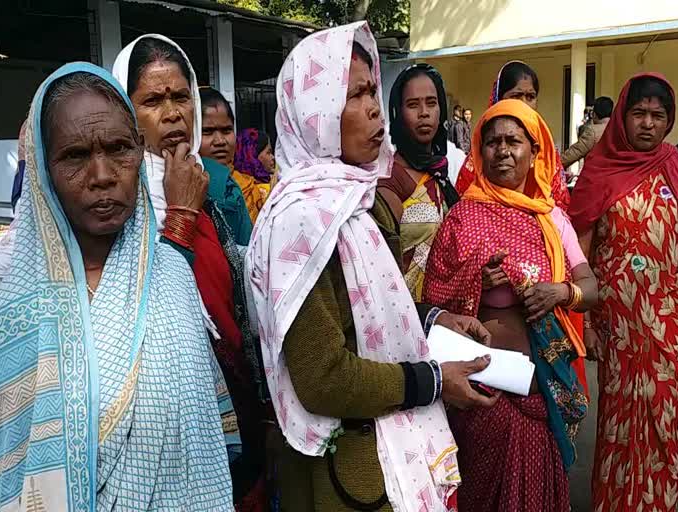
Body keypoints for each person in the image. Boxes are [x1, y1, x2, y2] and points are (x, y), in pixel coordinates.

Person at [245, 22, 500, 512]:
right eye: (354, 95)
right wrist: (431, 381)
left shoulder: (357, 200)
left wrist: (435, 318)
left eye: (371, 91)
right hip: (346, 473)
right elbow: (324, 379)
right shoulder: (302, 223)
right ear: (314, 113)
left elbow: (374, 308)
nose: (373, 108)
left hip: (379, 450)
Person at [0, 63, 236, 511]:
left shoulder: (170, 275)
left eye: (119, 148)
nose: (103, 174)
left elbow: (205, 436)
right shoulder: (11, 302)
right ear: (44, 170)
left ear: (139, 153)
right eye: (75, 156)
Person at [112, 35, 266, 510]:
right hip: (162, 426)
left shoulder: (213, 188)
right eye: (153, 101)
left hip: (236, 404)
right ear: (126, 113)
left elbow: (239, 296)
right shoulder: (116, 204)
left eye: (181, 97)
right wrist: (179, 211)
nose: (173, 113)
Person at [424, 99, 596, 512]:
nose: (503, 151)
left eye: (514, 141)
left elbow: (592, 288)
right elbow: (430, 301)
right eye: (492, 142)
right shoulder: (463, 216)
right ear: (479, 152)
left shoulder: (551, 217)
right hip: (483, 390)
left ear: (535, 152)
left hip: (542, 386)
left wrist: (560, 292)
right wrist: (474, 282)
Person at [569, 73, 678, 512]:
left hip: (669, 327)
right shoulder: (599, 169)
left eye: (658, 115)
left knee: (663, 423)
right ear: (622, 116)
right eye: (639, 113)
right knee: (620, 423)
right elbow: (580, 255)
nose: (648, 124)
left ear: (669, 120)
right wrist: (586, 326)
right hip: (617, 329)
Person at [378, 63, 460, 301]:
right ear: (398, 113)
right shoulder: (390, 180)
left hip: (446, 316)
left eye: (431, 103)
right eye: (413, 105)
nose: (424, 112)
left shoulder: (441, 173)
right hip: (408, 317)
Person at [455, 61, 571, 211]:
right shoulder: (480, 161)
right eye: (516, 96)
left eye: (530, 97)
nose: (523, 104)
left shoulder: (546, 155)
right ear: (499, 98)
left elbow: (559, 207)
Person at [198, 87, 278, 223]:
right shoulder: (183, 189)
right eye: (207, 131)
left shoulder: (249, 188)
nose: (220, 141)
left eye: (227, 130)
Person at [560, 96, 613, 170]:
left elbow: (575, 152)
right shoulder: (617, 129)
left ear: (594, 114)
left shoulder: (592, 131)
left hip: (597, 175)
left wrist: (555, 163)